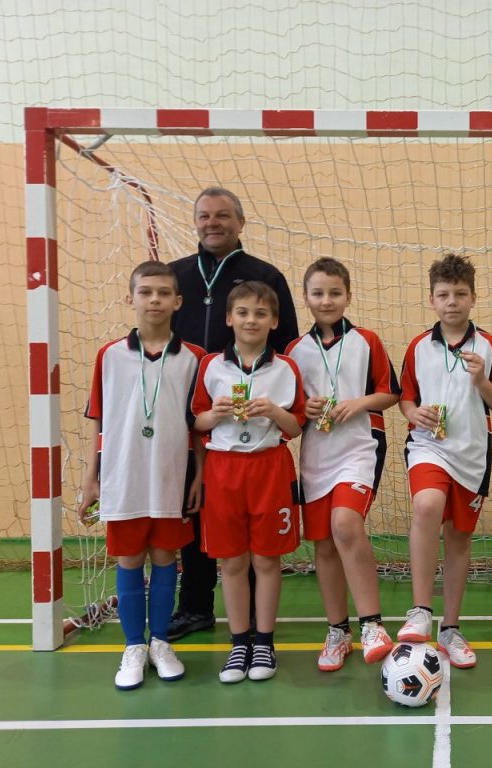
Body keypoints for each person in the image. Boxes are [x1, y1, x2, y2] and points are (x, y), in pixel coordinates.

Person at [168, 187, 299, 642]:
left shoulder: (265, 276)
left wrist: (270, 395)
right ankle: (195, 606)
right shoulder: (176, 274)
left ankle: (256, 625)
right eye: (204, 215)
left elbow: (287, 343)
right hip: (191, 411)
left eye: (222, 215)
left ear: (240, 222)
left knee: (251, 537)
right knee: (195, 510)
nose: (212, 223)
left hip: (252, 427)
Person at [77, 261, 205, 689]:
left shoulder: (195, 358)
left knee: (167, 557)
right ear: (130, 298)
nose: (155, 300)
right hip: (124, 475)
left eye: (164, 293)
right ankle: (134, 645)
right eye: (146, 292)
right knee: (129, 559)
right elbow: (98, 420)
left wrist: (199, 476)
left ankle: (160, 642)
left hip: (171, 476)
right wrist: (91, 477)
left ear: (178, 301)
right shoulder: (110, 355)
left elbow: (199, 426)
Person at [397, 253, 492, 669]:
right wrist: (414, 414)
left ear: (473, 298)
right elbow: (406, 398)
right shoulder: (418, 346)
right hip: (428, 447)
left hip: (472, 454)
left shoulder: (490, 346)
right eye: (443, 295)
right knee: (427, 505)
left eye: (460, 294)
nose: (452, 302)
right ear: (431, 299)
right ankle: (420, 609)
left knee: (459, 538)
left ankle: (450, 627)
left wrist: (480, 380)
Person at [286, 258, 400, 671]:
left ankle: (372, 625)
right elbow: (291, 412)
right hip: (317, 455)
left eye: (335, 292)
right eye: (318, 293)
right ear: (306, 298)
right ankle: (338, 631)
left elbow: (390, 393)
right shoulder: (294, 352)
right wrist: (305, 407)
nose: (327, 300)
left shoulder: (367, 341)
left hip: (359, 448)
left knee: (346, 525)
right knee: (323, 543)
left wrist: (359, 403)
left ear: (348, 296)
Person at [189, 281, 305, 683]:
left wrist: (273, 410)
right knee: (232, 561)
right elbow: (197, 421)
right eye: (242, 312)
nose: (250, 320)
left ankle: (265, 644)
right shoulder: (211, 365)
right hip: (223, 470)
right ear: (229, 318)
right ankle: (239, 643)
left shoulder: (286, 367)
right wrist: (216, 414)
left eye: (260, 313)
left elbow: (297, 427)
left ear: (274, 321)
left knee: (266, 560)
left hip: (269, 468)